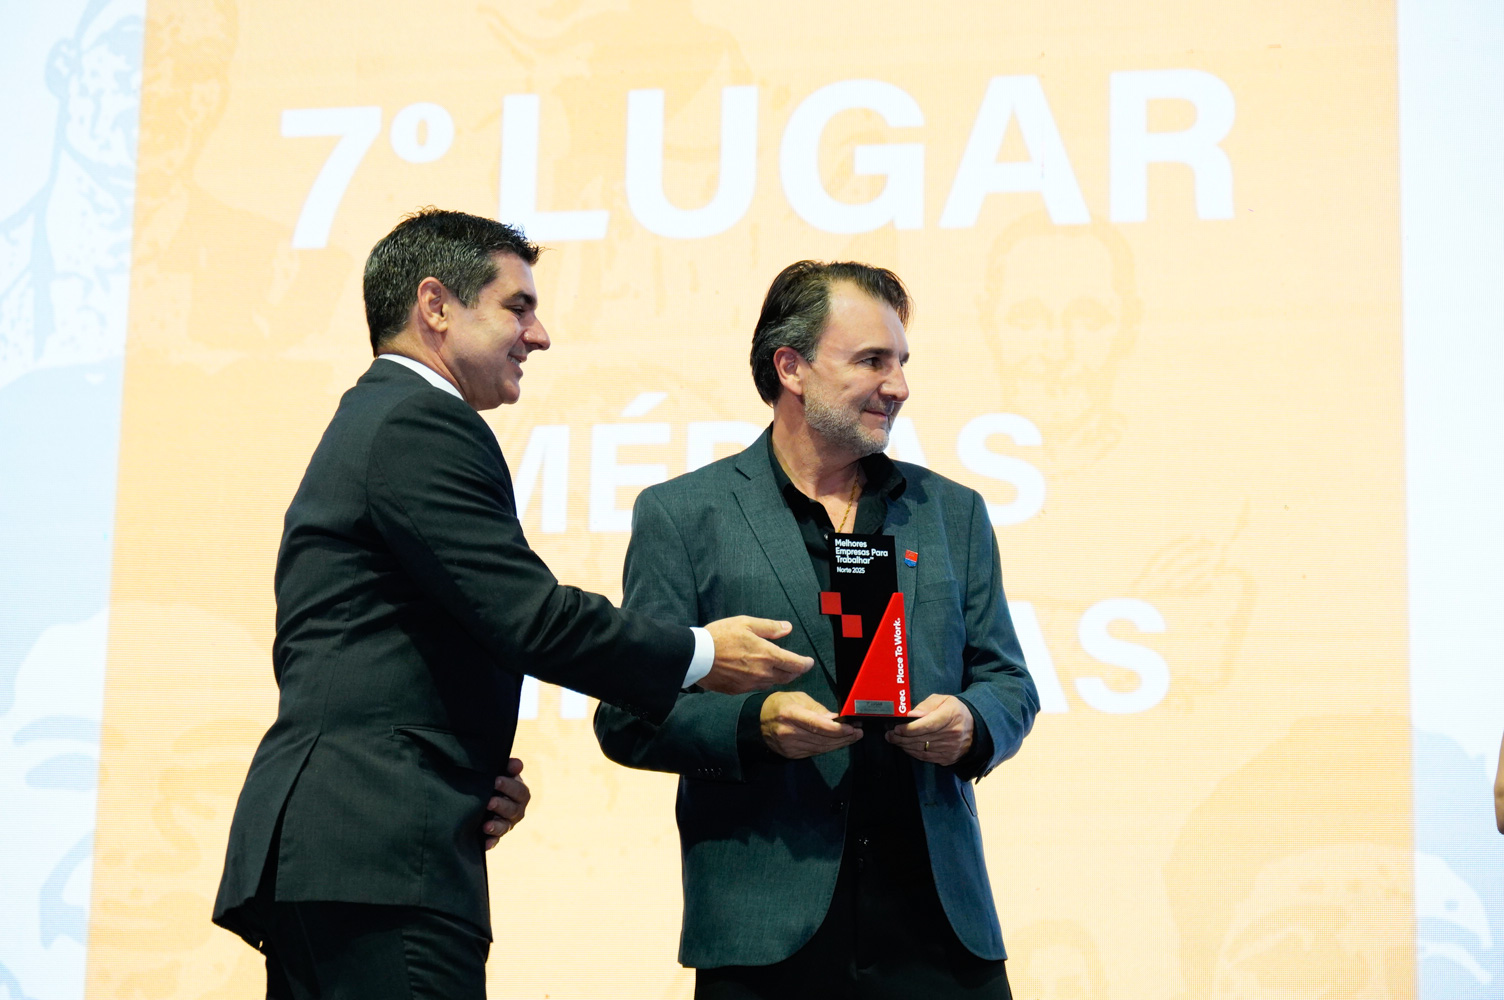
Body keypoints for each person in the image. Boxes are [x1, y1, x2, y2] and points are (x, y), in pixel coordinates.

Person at [212, 208, 813, 998]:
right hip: (379, 859)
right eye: (517, 307)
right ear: (436, 306)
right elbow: (530, 618)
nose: (540, 335)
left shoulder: (378, 418)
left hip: (355, 849)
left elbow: (368, 651)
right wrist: (702, 653)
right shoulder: (419, 420)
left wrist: (464, 775)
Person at [595, 260, 1040, 998]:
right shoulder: (684, 515)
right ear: (791, 367)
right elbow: (626, 716)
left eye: (902, 362)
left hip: (938, 929)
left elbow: (1009, 681)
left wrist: (973, 722)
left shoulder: (951, 512)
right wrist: (754, 726)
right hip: (766, 934)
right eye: (872, 360)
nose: (899, 385)